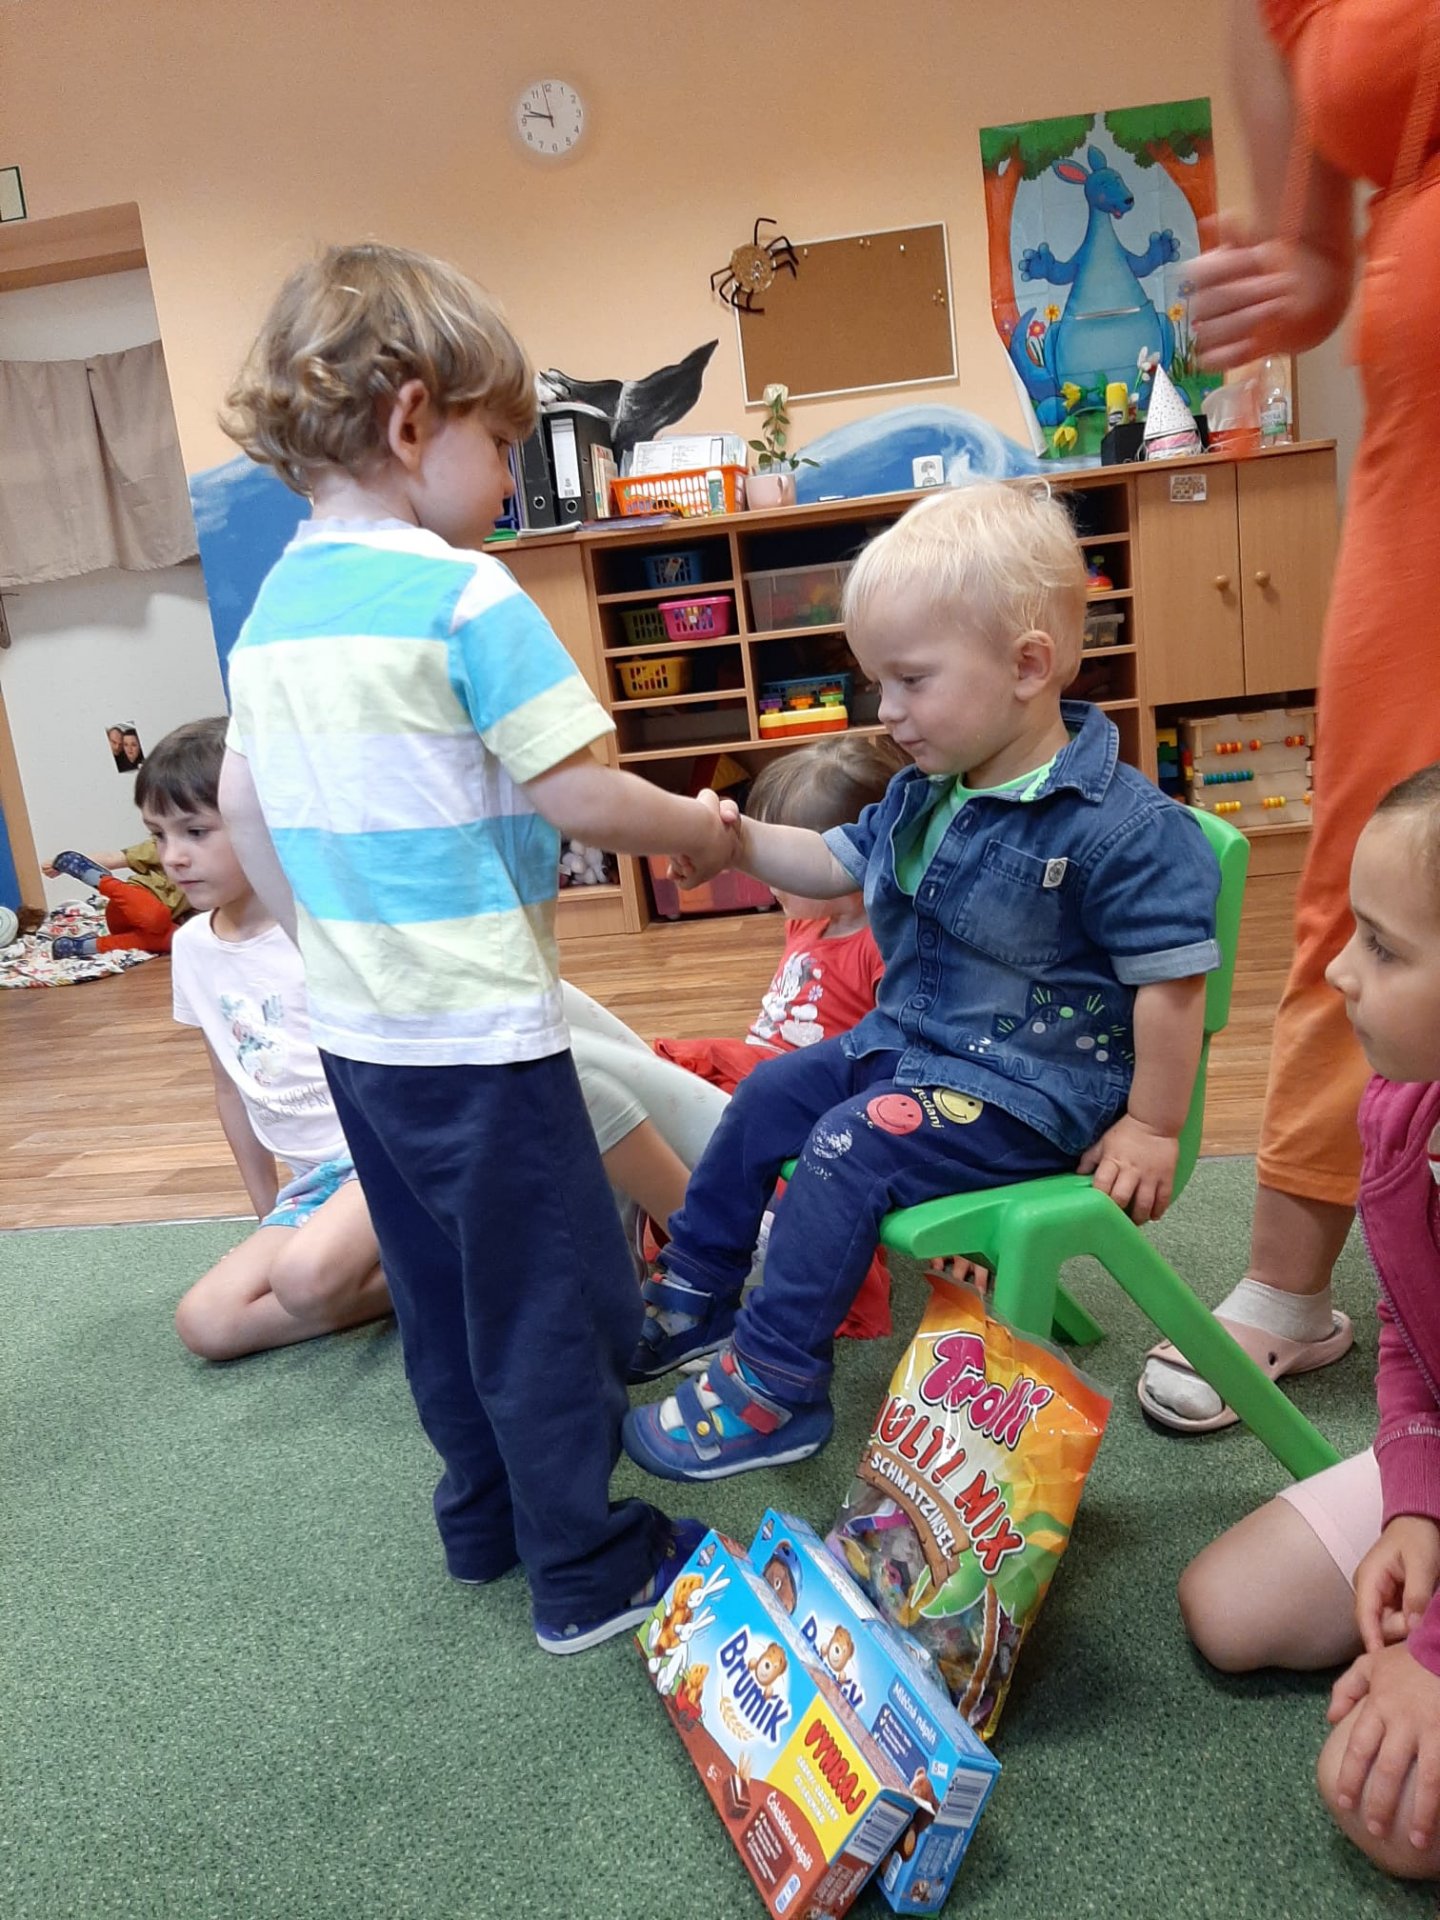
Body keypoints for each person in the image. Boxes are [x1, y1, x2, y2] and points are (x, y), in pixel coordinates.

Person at [215, 241, 727, 1651]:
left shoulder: (273, 614)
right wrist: (705, 830)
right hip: (484, 1042)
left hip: (362, 1040)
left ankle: (484, 1520)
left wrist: (334, 942)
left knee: (441, 1293)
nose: (509, 479)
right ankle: (586, 1567)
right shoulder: (466, 596)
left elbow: (248, 805)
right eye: (502, 445)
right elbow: (581, 796)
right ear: (409, 421)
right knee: (554, 1294)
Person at [621, 481, 1223, 1480]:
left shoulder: (1125, 830)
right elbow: (829, 862)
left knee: (846, 1147)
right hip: (910, 1047)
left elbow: (1174, 986)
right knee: (768, 1095)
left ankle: (774, 1388)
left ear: (1027, 665)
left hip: (1026, 1097)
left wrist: (1154, 1127)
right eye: (879, 684)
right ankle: (696, 1290)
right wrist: (731, 839)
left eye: (910, 681)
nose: (887, 713)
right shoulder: (926, 791)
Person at [1138, 0, 1440, 1431]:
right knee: (1372, 846)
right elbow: (1313, 252)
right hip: (1421, 452)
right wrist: (1290, 276)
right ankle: (1294, 1270)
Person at [1179, 765, 1440, 1881]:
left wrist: (1429, 1664)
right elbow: (1411, 1337)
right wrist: (1416, 1503)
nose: (1338, 970)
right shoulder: (1401, 1107)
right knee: (1228, 1609)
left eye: (1382, 946)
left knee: (1383, 1809)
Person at [574, 733, 905, 1340]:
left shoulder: (881, 946)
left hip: (801, 1110)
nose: (768, 877)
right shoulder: (810, 923)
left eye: (780, 858)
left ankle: (741, 1247)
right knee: (607, 1069)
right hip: (755, 1087)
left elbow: (902, 1070)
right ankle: (623, 1254)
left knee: (618, 1083)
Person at [129, 717, 392, 1359]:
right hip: (314, 1184)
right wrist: (266, 1211)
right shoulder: (192, 948)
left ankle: (443, 1252)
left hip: (382, 1159)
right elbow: (230, 1086)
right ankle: (418, 1270)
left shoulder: (315, 926)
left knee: (301, 1278)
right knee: (206, 1324)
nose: (172, 856)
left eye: (195, 832)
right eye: (159, 835)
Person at [44, 839, 193, 959]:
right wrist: (60, 864)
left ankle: (83, 946)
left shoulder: (206, 885)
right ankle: (97, 877)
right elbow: (113, 858)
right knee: (154, 916)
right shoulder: (167, 847)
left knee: (177, 938)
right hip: (126, 908)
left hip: (150, 929)